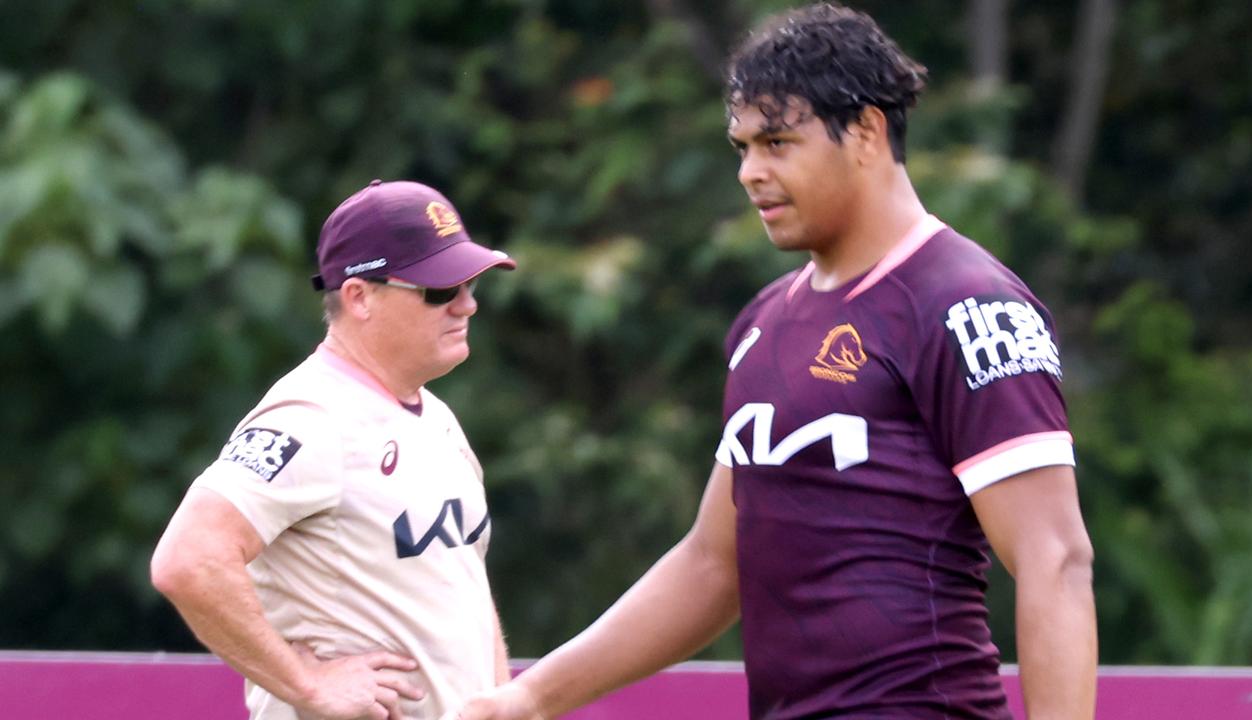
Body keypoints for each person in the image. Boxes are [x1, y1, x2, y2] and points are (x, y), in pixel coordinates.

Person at [448, 4, 1096, 720]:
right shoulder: (764, 320)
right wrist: (529, 698)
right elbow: (712, 563)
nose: (751, 173)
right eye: (743, 147)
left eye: (779, 142)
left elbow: (1054, 560)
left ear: (868, 133)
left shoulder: (969, 305)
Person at [151, 179, 517, 720]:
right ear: (359, 296)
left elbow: (464, 590)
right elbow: (188, 560)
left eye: (469, 284)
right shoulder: (311, 419)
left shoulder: (435, 417)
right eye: (440, 290)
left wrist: (505, 703)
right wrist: (309, 686)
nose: (467, 305)